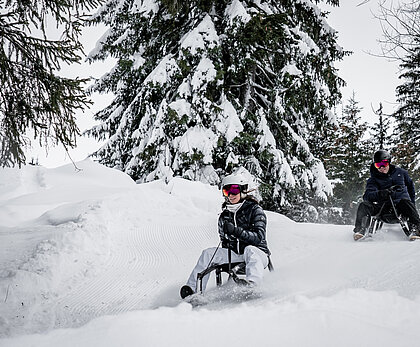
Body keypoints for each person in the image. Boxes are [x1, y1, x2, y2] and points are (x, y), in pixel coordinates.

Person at [180, 173, 271, 299]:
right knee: (208, 253)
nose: (231, 195)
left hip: (258, 253)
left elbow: (258, 237)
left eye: (234, 190)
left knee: (250, 250)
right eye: (227, 191)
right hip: (236, 255)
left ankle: (253, 286)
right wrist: (229, 238)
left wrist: (236, 231)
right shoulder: (224, 216)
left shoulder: (255, 210)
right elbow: (224, 243)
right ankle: (193, 291)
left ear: (243, 190)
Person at [353, 149, 420, 241]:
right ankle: (360, 230)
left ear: (388, 162)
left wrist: (412, 205)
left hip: (401, 207)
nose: (381, 168)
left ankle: (415, 229)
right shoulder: (373, 179)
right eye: (378, 165)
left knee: (406, 203)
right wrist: (380, 194)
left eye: (383, 164)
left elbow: (410, 188)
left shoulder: (401, 173)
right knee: (364, 205)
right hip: (383, 208)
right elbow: (367, 196)